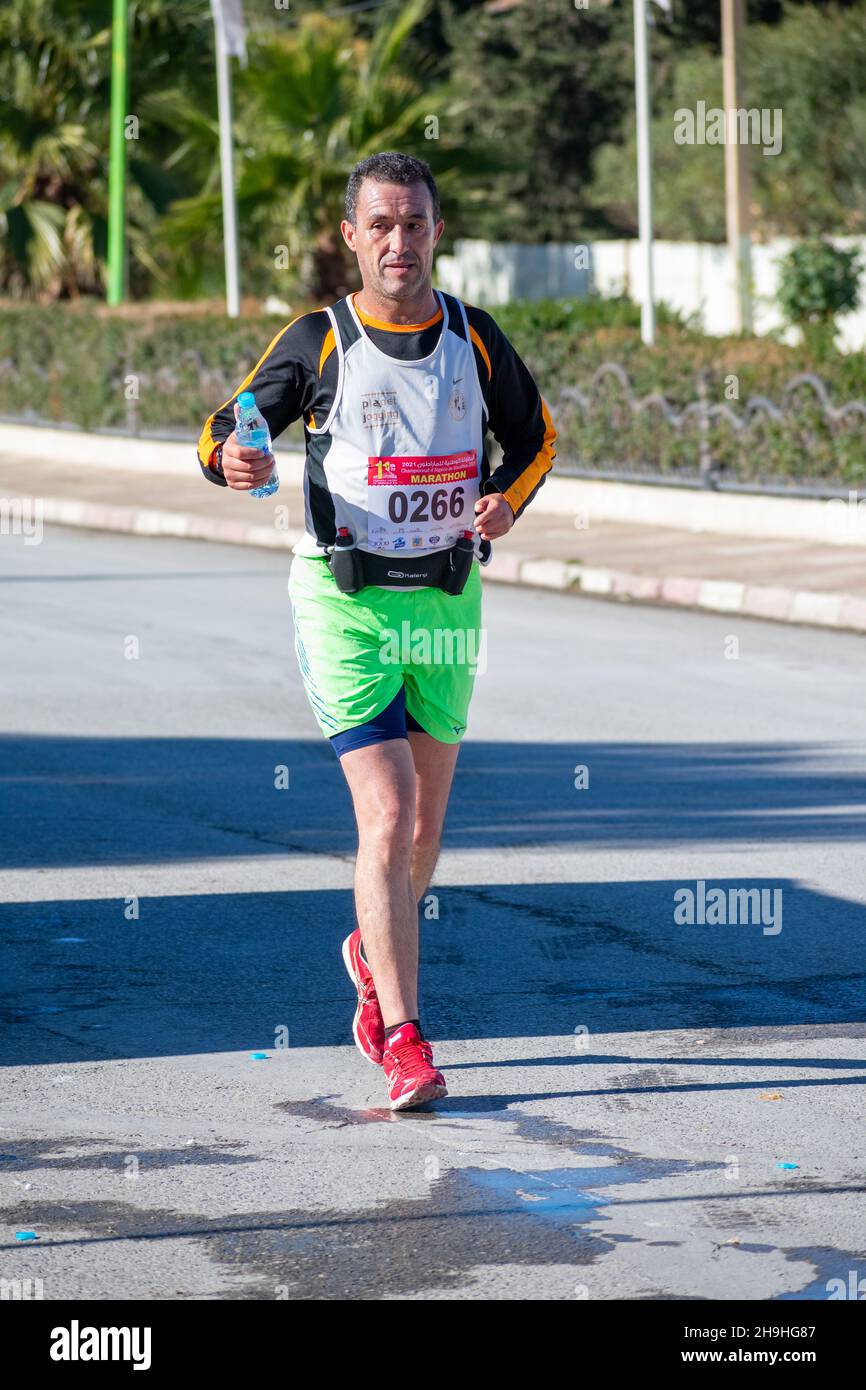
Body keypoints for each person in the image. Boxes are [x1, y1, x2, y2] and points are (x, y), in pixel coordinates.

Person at [198, 151, 556, 1110]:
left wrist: (504, 505)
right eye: (382, 226)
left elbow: (538, 440)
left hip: (445, 604)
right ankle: (403, 1036)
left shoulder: (474, 339)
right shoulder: (320, 339)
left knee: (426, 832)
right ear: (352, 238)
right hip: (346, 603)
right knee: (389, 815)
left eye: (417, 224)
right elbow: (225, 428)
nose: (401, 242)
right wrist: (233, 458)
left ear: (439, 233)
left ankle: (370, 942)